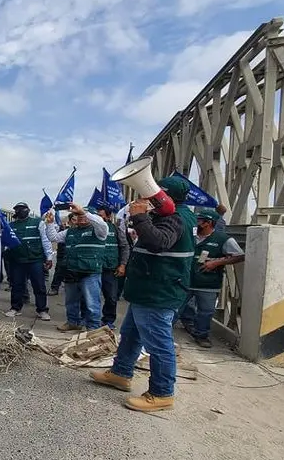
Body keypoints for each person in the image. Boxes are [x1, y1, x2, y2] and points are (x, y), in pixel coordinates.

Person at [90, 176, 197, 413]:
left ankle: (161, 393)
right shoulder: (167, 215)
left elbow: (159, 242)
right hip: (148, 290)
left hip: (159, 291)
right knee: (130, 334)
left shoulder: (176, 217)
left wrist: (140, 217)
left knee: (158, 344)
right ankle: (120, 373)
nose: (146, 198)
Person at [179, 208, 244, 348]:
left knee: (206, 311)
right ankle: (167, 333)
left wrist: (216, 262)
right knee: (174, 307)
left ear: (208, 223)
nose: (196, 223)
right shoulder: (190, 235)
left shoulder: (223, 239)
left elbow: (239, 255)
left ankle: (201, 335)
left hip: (208, 283)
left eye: (200, 220)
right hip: (185, 280)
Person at [44, 204, 108, 332]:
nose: (81, 218)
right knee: (71, 301)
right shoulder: (70, 231)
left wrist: (84, 212)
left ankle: (93, 327)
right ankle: (73, 322)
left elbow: (102, 224)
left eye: (83, 215)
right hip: (72, 271)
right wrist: (50, 223)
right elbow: (53, 237)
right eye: (78, 216)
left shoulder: (98, 231)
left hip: (90, 272)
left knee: (91, 303)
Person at [4, 202, 53, 321]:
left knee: (39, 285)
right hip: (17, 260)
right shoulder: (11, 225)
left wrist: (49, 257)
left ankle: (42, 310)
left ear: (28, 210)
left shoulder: (38, 223)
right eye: (18, 209)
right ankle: (15, 308)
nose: (20, 211)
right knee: (17, 285)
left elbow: (45, 240)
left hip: (35, 259)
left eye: (23, 209)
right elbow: (6, 243)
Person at [95, 202, 130, 329]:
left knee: (111, 297)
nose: (98, 219)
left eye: (101, 216)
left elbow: (125, 247)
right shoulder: (91, 227)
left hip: (110, 269)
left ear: (108, 217)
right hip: (93, 269)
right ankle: (88, 319)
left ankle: (108, 320)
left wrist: (122, 265)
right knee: (89, 296)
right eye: (96, 216)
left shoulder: (116, 229)